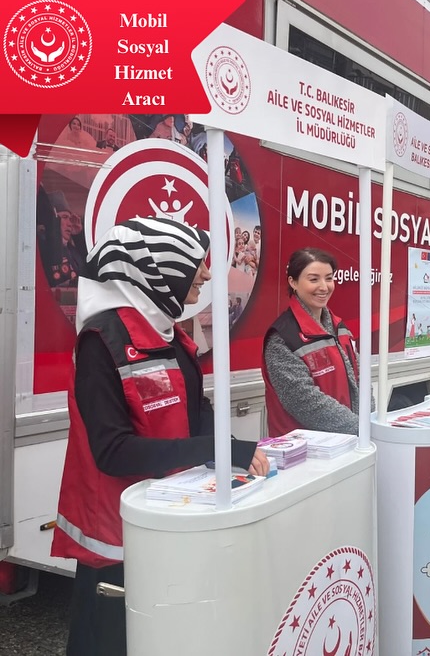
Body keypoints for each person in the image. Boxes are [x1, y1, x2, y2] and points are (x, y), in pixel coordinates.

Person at [51, 217, 269, 656]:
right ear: (160, 269)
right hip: (118, 538)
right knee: (111, 641)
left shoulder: (167, 331)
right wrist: (218, 449)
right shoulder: (100, 342)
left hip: (169, 519)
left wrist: (232, 452)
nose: (206, 275)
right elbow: (112, 451)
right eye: (196, 264)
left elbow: (196, 412)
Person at [262, 247, 368, 437]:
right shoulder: (283, 338)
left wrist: (368, 420)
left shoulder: (340, 328)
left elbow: (360, 379)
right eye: (313, 279)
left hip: (348, 441)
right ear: (293, 282)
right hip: (306, 449)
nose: (324, 287)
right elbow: (304, 401)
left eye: (329, 278)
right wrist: (361, 427)